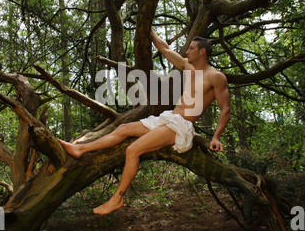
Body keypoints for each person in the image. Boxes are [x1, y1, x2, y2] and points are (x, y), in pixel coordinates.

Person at [59, 29, 230, 215]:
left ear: (202, 52)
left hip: (180, 126)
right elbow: (164, 48)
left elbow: (225, 109)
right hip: (168, 118)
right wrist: (148, 28)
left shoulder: (216, 76)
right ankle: (80, 149)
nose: (187, 52)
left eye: (191, 48)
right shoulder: (187, 66)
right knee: (123, 128)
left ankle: (118, 198)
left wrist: (216, 137)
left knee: (132, 150)